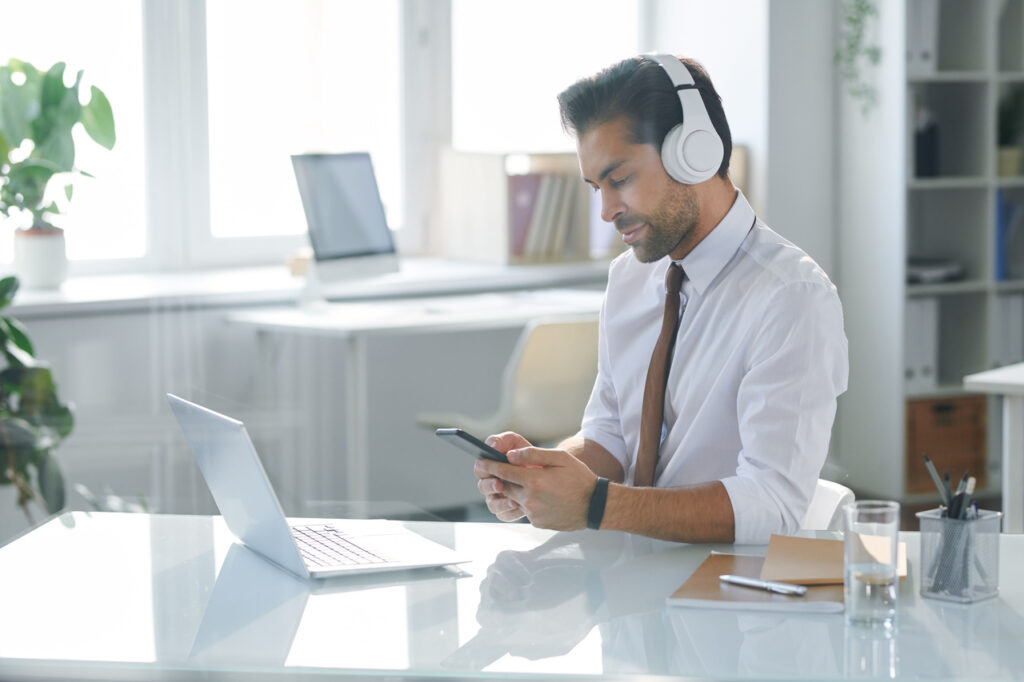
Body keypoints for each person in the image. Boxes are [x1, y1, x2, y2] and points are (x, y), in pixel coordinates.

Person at [474, 54, 849, 544]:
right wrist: (542, 473)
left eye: (620, 179)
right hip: (629, 576)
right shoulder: (629, 280)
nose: (607, 211)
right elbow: (611, 435)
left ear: (695, 153)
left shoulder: (791, 298)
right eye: (595, 188)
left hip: (729, 593)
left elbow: (773, 506)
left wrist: (596, 504)